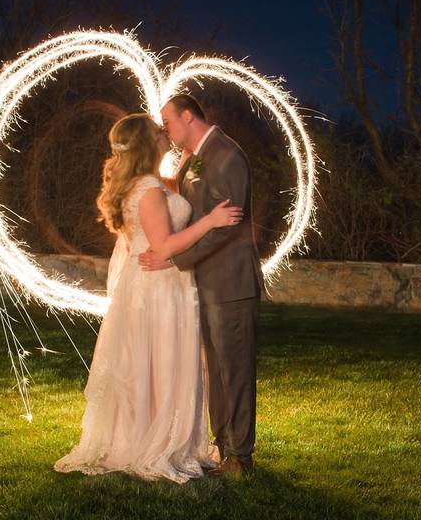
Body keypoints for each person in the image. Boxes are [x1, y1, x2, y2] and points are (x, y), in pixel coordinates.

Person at [53, 112, 243, 484]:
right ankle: (155, 443)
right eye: (157, 130)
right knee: (160, 360)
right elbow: (165, 245)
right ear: (146, 142)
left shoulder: (149, 184)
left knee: (151, 361)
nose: (163, 132)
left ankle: (145, 434)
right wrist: (210, 221)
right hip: (160, 286)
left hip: (150, 285)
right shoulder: (149, 190)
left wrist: (189, 165)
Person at [139, 93, 264, 478]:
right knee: (217, 371)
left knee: (235, 369)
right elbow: (191, 209)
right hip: (206, 283)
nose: (165, 129)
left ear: (188, 116)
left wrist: (174, 258)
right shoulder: (192, 158)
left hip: (230, 281)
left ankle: (240, 457)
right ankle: (222, 447)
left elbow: (225, 228)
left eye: (168, 122)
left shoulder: (228, 156)